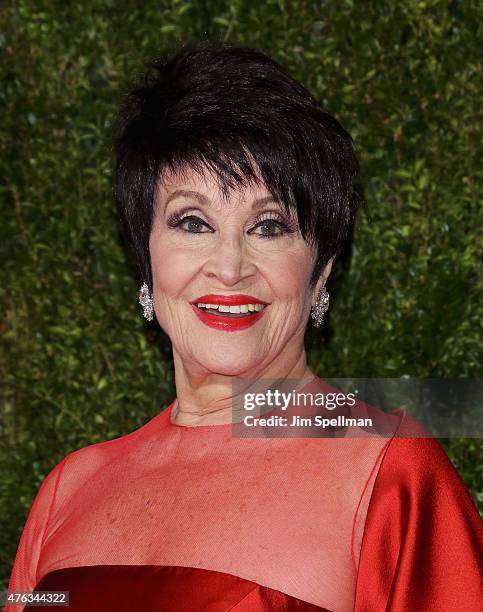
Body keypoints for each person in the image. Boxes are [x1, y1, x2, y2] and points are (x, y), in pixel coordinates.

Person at [6, 42, 482, 612]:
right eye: (192, 221)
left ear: (321, 270)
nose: (229, 266)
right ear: (147, 259)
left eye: (269, 226)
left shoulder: (392, 469)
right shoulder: (68, 490)